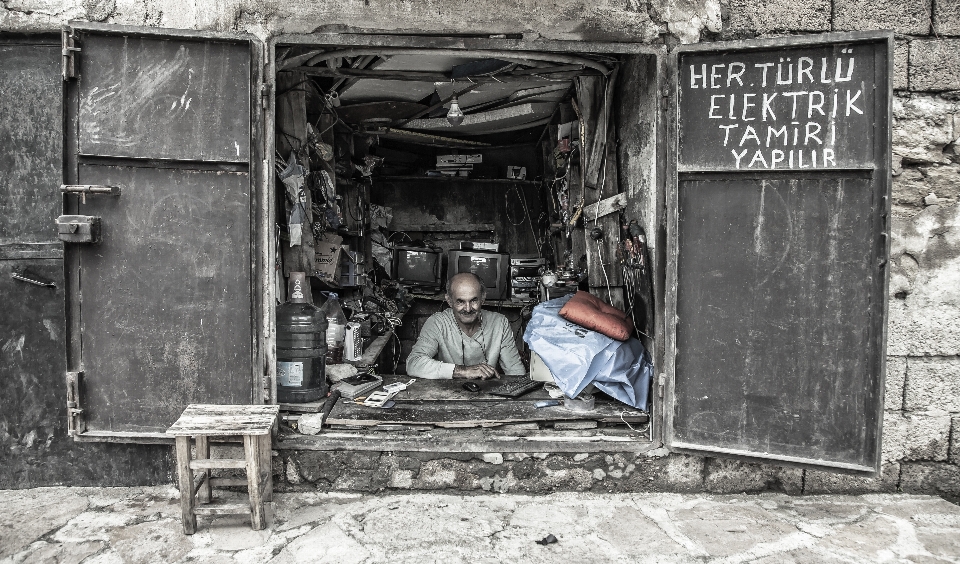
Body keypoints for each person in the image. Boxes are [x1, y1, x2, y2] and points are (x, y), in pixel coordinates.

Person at [406, 272, 526, 379]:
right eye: (460, 301)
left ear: (483, 298)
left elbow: (515, 370)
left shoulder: (500, 323)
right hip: (447, 394)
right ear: (449, 301)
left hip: (488, 394)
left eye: (474, 300)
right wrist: (463, 371)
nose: (468, 309)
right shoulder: (437, 323)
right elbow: (413, 363)